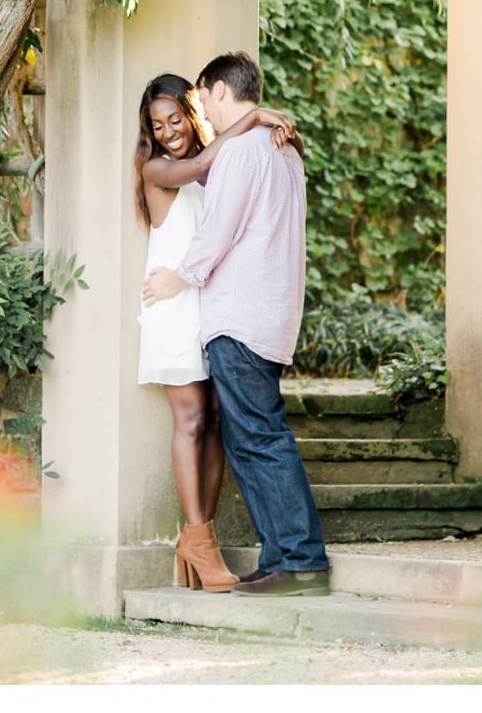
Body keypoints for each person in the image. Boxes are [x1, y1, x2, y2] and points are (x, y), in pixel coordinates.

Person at [142, 52, 331, 597]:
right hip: (273, 314)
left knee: (260, 440)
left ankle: (299, 559)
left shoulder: (244, 150)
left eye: (200, 98)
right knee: (255, 437)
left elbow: (219, 228)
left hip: (240, 316)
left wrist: (181, 277)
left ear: (219, 91)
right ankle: (284, 556)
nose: (200, 109)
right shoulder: (285, 150)